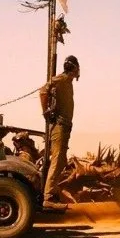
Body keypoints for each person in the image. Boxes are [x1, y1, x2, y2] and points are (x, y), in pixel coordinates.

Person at [39, 55, 80, 209]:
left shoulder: (67, 81)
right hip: (59, 126)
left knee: (61, 160)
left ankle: (52, 190)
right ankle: (48, 197)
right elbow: (43, 91)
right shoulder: (62, 79)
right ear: (74, 68)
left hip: (65, 127)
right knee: (57, 160)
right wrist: (45, 111)